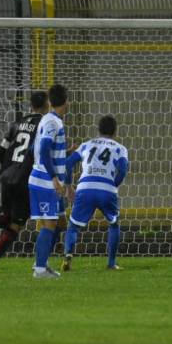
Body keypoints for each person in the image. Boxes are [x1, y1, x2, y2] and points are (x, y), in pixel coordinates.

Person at [0, 91, 49, 272]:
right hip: (25, 180)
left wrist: (10, 168)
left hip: (7, 178)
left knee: (9, 219)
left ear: (30, 105)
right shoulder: (44, 125)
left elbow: (0, 152)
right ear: (46, 106)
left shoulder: (16, 124)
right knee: (15, 226)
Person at [62, 115, 129, 271]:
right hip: (107, 190)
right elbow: (123, 169)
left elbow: (68, 163)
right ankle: (111, 263)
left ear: (98, 130)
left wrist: (68, 186)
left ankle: (68, 257)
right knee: (113, 224)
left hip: (85, 187)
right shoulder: (120, 148)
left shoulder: (87, 145)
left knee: (73, 226)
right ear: (115, 131)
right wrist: (114, 185)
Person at [28, 84, 71, 279]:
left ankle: (42, 260)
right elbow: (44, 150)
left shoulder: (47, 119)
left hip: (43, 179)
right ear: (67, 102)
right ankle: (39, 268)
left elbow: (34, 150)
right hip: (45, 182)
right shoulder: (53, 122)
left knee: (60, 222)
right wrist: (54, 178)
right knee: (49, 225)